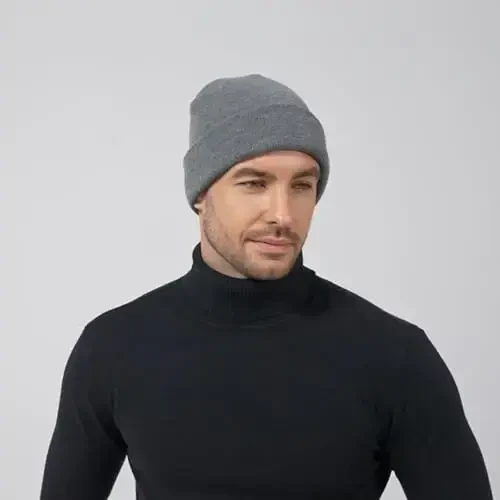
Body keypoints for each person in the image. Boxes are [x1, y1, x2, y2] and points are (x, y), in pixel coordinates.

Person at [40, 74, 493, 500]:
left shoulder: (395, 356)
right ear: (201, 195)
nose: (282, 214)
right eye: (254, 183)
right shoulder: (113, 348)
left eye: (302, 185)